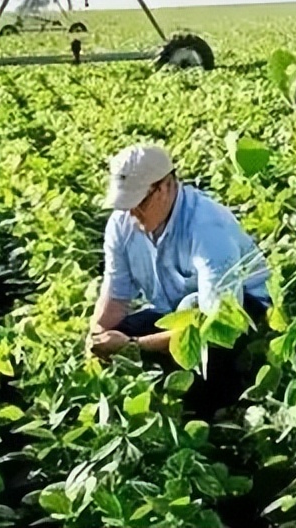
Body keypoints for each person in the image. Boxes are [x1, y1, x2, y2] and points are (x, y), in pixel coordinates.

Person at [87, 143, 273, 418]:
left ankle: (216, 413)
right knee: (120, 337)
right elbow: (114, 297)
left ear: (165, 187)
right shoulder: (121, 224)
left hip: (239, 312)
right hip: (176, 311)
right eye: (125, 204)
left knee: (207, 361)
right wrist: (96, 340)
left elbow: (216, 325)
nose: (131, 214)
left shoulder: (208, 227)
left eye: (137, 202)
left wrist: (132, 346)